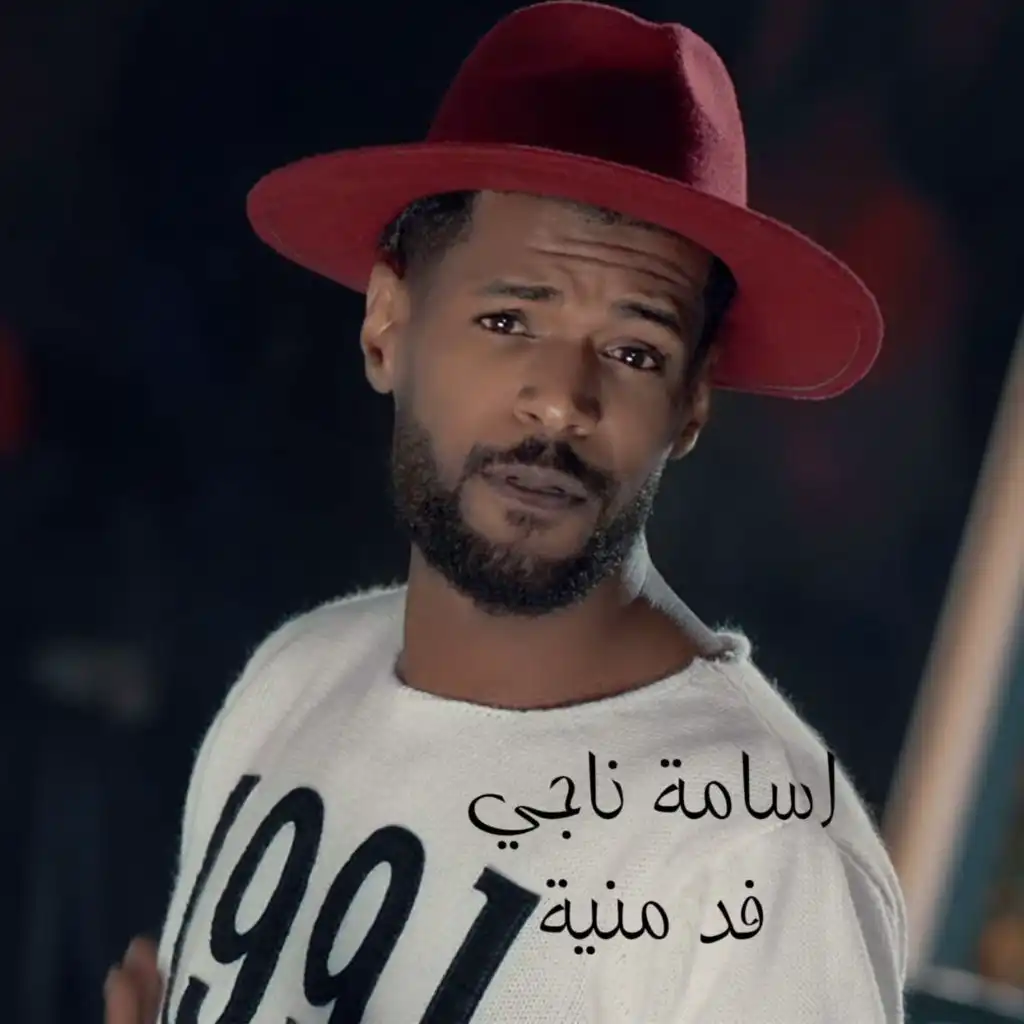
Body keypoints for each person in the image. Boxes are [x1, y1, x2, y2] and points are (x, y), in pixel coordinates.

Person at [106, 2, 907, 1021]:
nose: (562, 401)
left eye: (635, 351)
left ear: (693, 404)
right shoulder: (294, 678)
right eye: (508, 319)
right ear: (388, 325)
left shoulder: (759, 860)